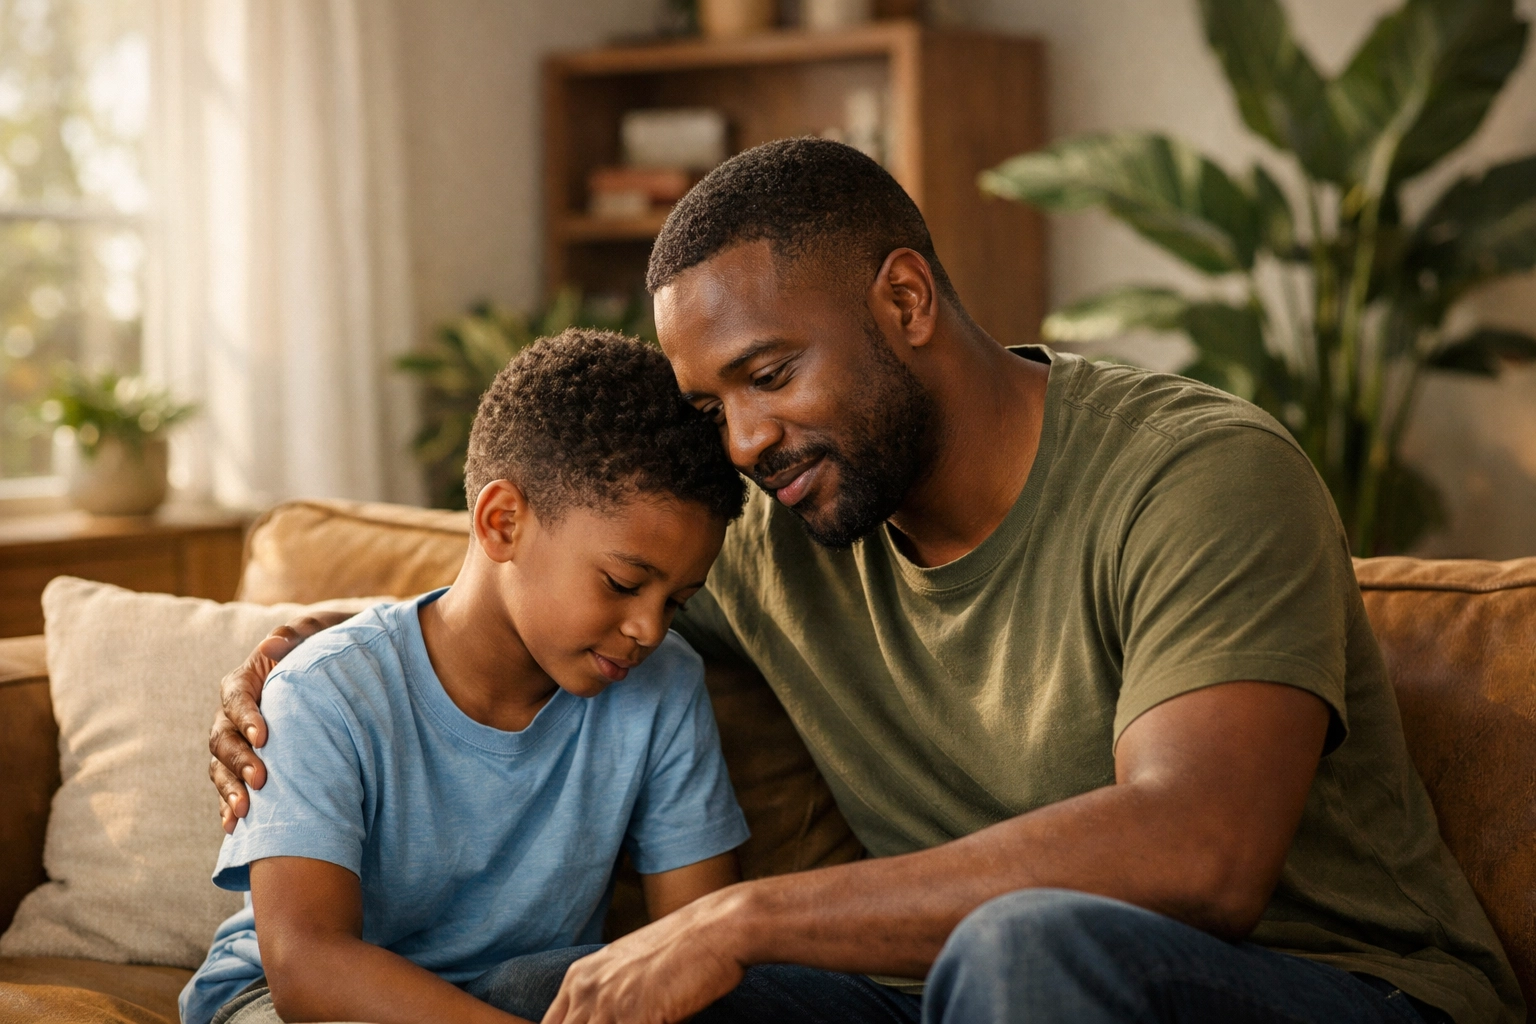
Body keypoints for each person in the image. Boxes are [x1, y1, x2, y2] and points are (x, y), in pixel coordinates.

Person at [210, 140, 1523, 1024]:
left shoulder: (1198, 476)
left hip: (1336, 989)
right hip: (972, 993)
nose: (741, 442)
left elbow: (1202, 852)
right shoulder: (784, 525)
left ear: (904, 301)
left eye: (768, 374)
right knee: (562, 988)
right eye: (710, 402)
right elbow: (556, 591)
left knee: (1018, 945)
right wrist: (320, 652)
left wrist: (741, 918)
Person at [182, 330, 750, 1024]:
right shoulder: (322, 692)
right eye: (623, 582)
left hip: (517, 994)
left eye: (678, 602)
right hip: (288, 1003)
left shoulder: (663, 685)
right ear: (502, 521)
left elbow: (693, 947)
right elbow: (307, 967)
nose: (650, 629)